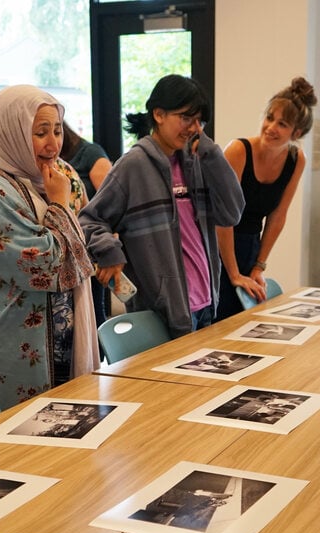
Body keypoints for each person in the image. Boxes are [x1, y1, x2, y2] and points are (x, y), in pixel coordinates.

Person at [0, 85, 98, 406]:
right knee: (12, 447)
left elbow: (82, 248)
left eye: (57, 130)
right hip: (3, 338)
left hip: (57, 335)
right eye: (40, 132)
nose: (53, 143)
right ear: (10, 133)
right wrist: (58, 205)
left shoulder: (61, 175)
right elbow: (46, 266)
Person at [79, 74, 245, 337]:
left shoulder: (199, 162)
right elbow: (89, 220)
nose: (194, 128)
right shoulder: (133, 166)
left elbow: (232, 213)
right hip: (161, 314)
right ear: (158, 114)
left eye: (199, 121)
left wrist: (212, 154)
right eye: (186, 118)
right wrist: (109, 252)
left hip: (206, 305)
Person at [214, 77, 316, 321]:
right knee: (220, 322)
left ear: (296, 132)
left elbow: (278, 215)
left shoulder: (296, 159)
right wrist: (234, 273)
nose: (271, 127)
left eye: (282, 124)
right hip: (217, 247)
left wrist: (259, 265)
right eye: (269, 118)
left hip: (250, 244)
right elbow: (220, 218)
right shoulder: (237, 151)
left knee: (247, 322)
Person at [60, 122, 114, 322]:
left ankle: (97, 354)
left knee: (93, 314)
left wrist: (108, 248)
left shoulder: (89, 153)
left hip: (89, 248)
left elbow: (111, 205)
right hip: (64, 257)